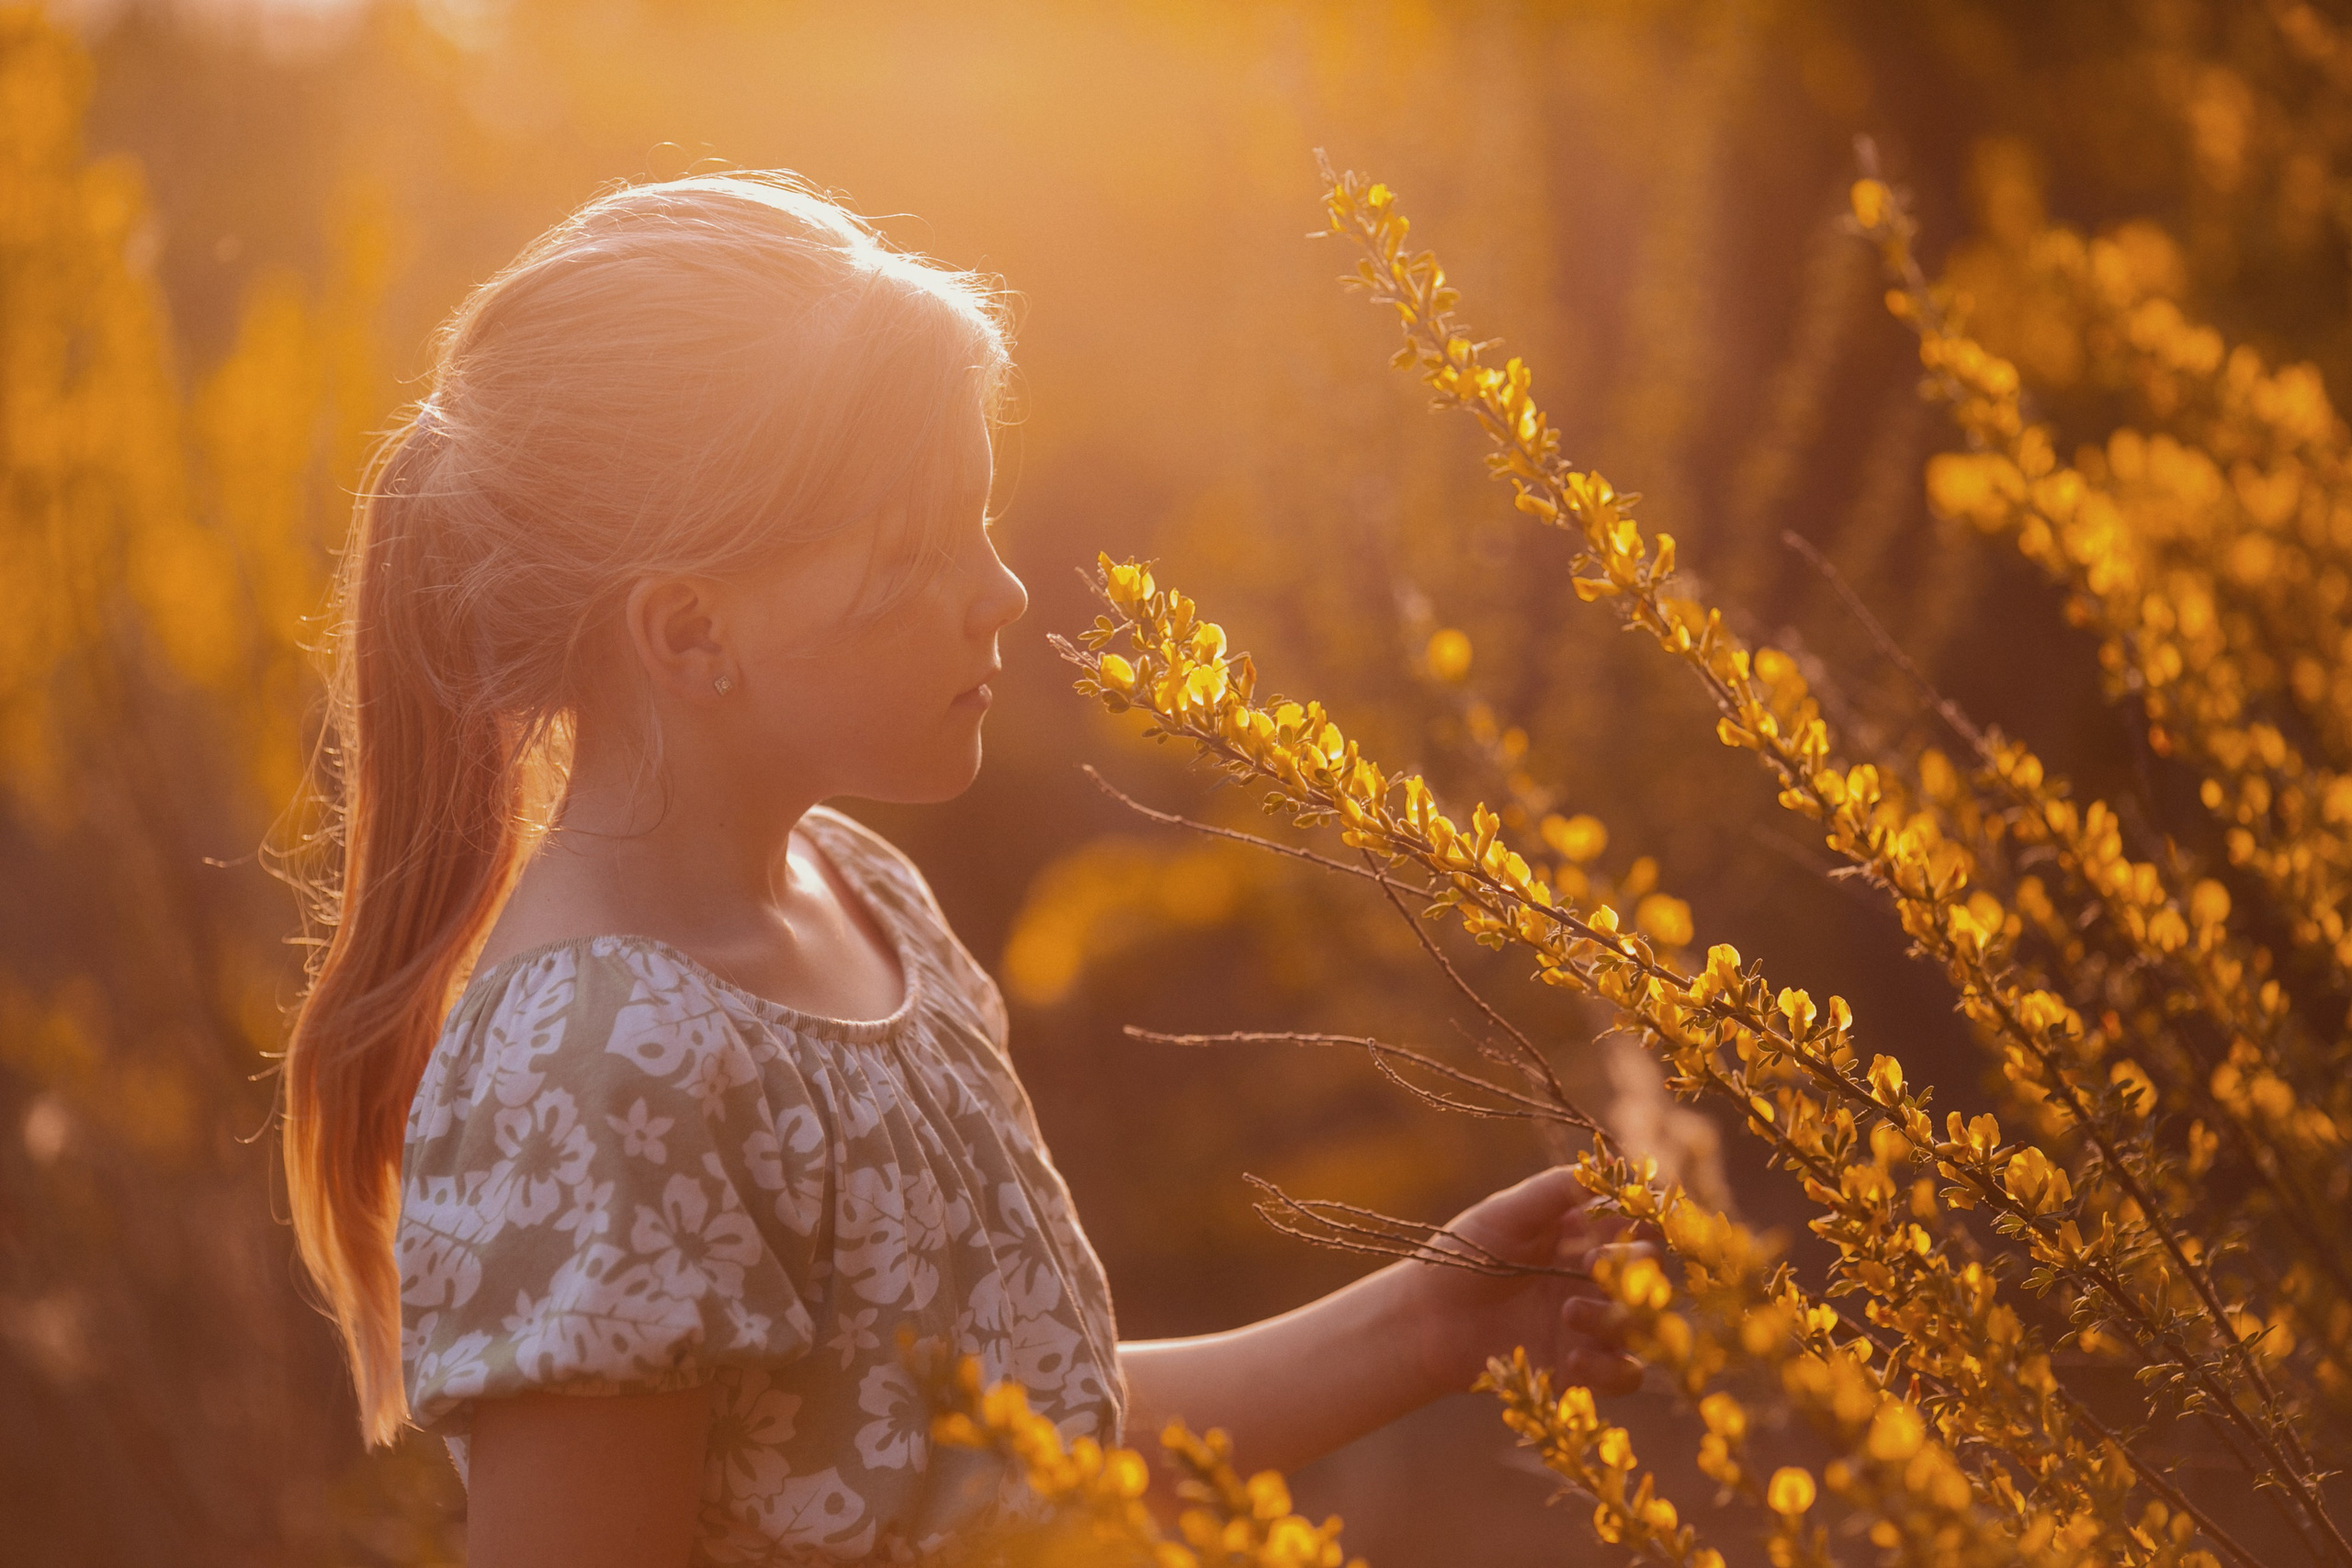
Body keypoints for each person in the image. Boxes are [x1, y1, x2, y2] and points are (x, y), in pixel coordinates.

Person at [279, 172, 1641, 1568]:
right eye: (919, 547)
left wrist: (1440, 1318)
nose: (1002, 590)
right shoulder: (597, 1063)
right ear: (691, 635)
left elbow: (1031, 1454)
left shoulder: (871, 905)